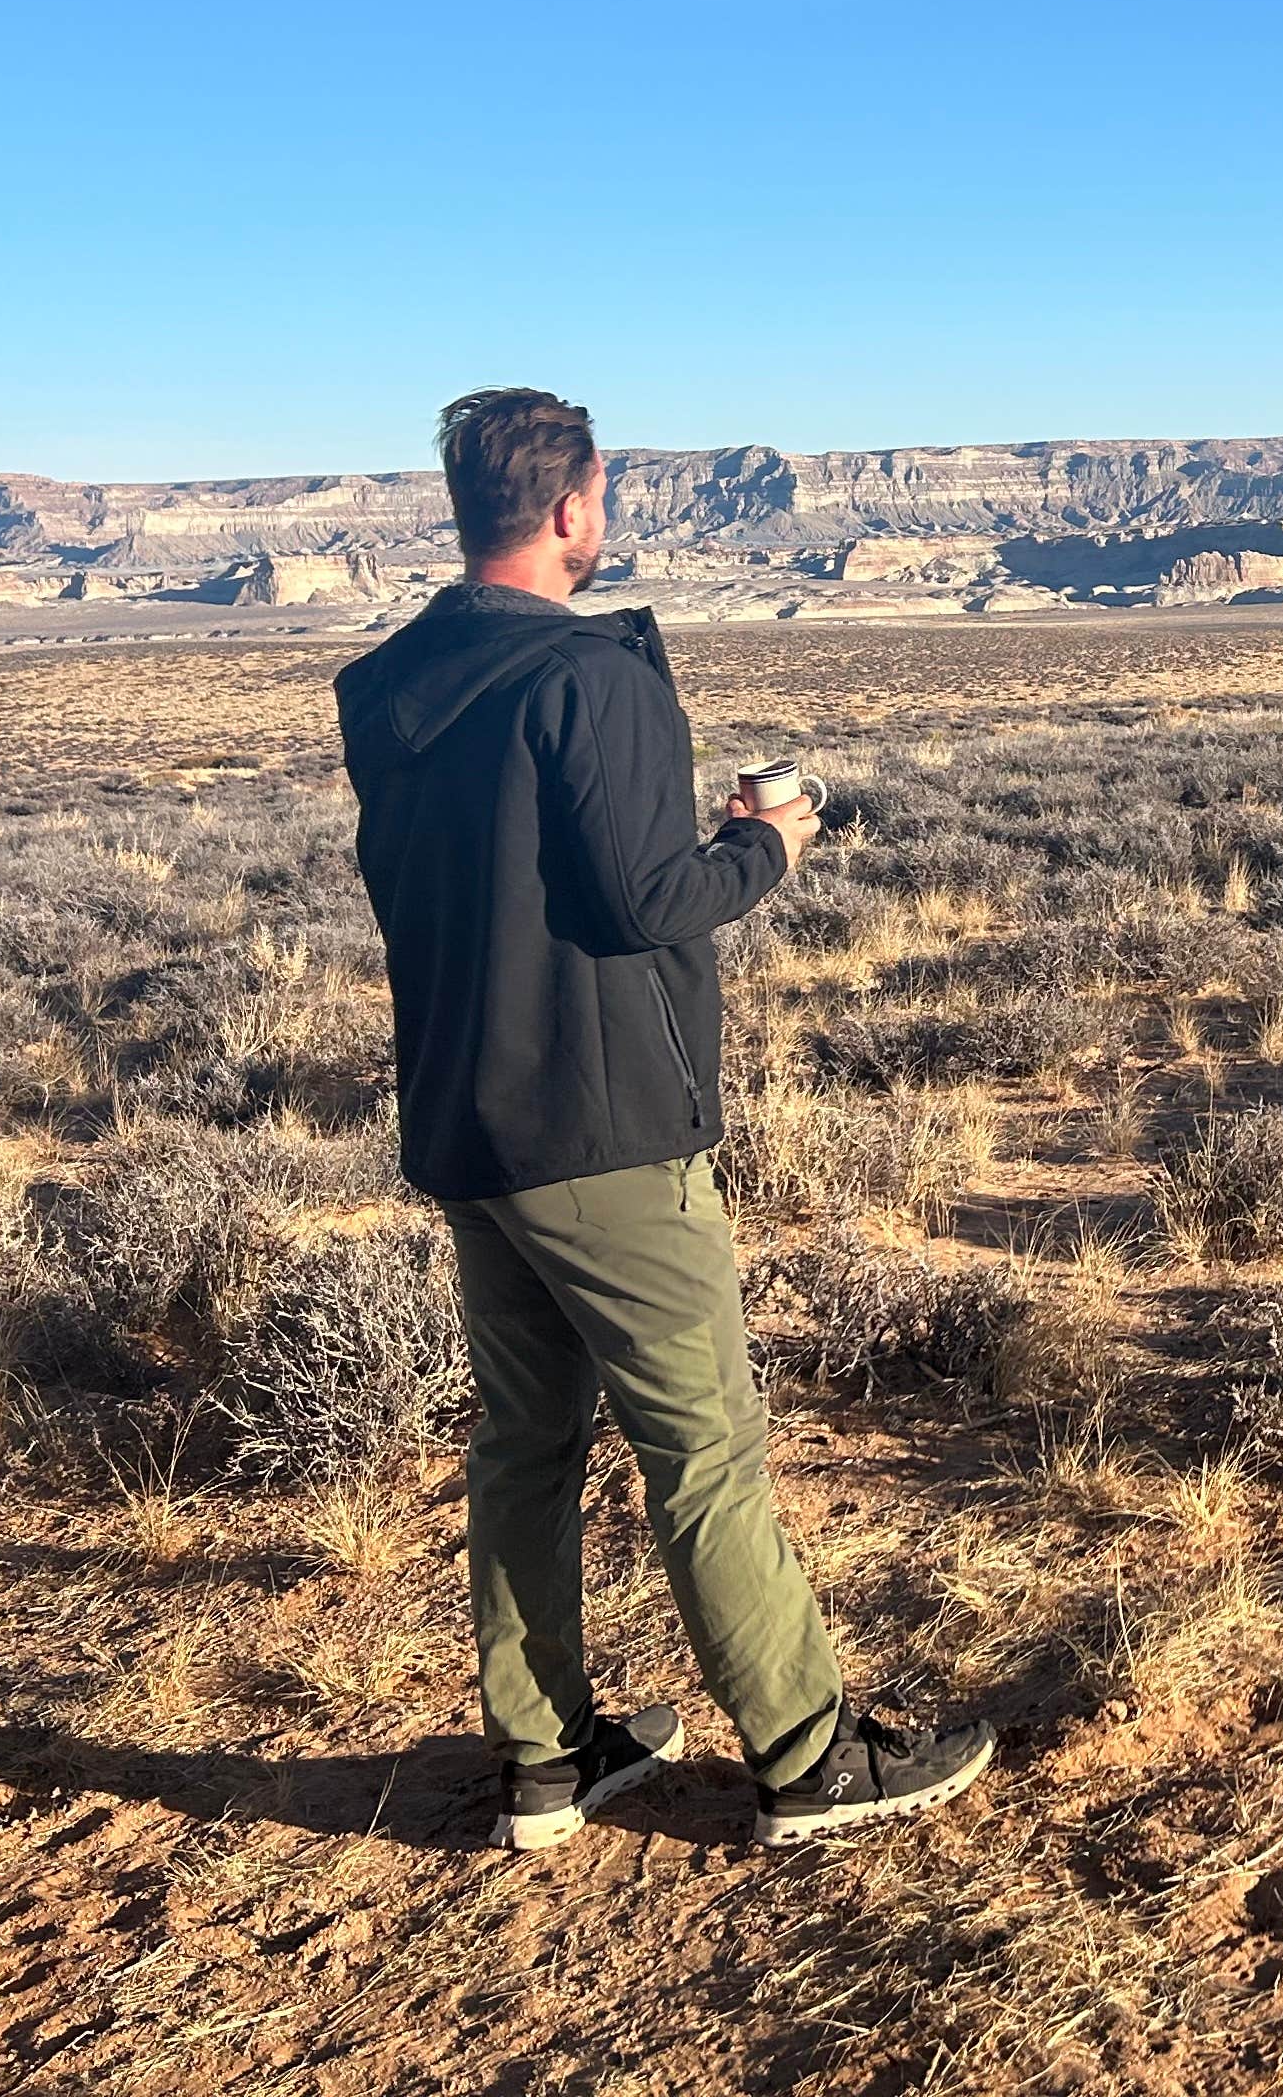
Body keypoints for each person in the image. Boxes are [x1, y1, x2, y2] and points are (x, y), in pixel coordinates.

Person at [335, 386, 991, 1851]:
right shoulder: (593, 679)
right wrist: (767, 841)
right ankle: (808, 1759)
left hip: (468, 1119)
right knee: (704, 1447)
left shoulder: (384, 688)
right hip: (607, 1130)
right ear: (574, 507)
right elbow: (649, 903)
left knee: (525, 1443)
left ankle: (549, 1755)